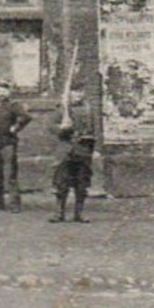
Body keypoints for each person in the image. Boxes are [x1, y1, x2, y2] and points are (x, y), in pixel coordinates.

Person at [50, 87, 97, 224]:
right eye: (75, 92)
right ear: (69, 94)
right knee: (61, 183)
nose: (78, 95)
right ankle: (59, 213)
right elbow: (50, 125)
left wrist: (96, 149)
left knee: (82, 184)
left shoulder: (89, 109)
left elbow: (96, 130)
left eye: (80, 91)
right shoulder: (62, 109)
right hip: (66, 150)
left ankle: (79, 213)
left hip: (83, 149)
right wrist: (61, 127)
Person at [0, 80, 32, 212]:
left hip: (8, 144)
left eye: (4, 90)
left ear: (9, 92)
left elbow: (26, 117)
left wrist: (15, 127)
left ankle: (14, 204)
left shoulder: (13, 105)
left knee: (10, 173)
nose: (1, 93)